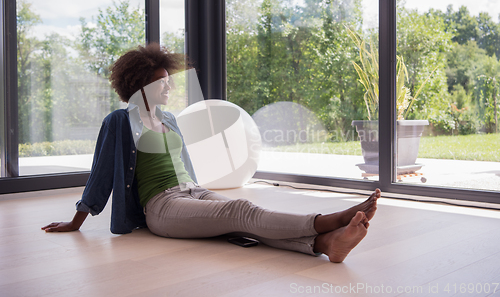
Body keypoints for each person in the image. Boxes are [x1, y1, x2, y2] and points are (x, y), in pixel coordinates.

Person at [41, 43, 381, 263]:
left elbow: (183, 165)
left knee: (245, 221)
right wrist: (77, 220)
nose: (170, 86)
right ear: (141, 86)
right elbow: (100, 173)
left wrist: (200, 195)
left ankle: (324, 245)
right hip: (162, 207)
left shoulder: (169, 118)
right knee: (241, 210)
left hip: (193, 192)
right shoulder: (119, 122)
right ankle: (325, 222)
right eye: (162, 81)